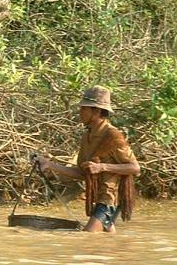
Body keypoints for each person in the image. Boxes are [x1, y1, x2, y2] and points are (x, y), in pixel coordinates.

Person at [34, 86, 140, 234]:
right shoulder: (87, 137)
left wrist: (102, 167)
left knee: (87, 237)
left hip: (110, 199)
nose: (80, 112)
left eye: (84, 109)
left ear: (96, 111)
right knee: (105, 240)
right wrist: (50, 165)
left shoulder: (113, 136)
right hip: (99, 198)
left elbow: (135, 168)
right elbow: (82, 173)